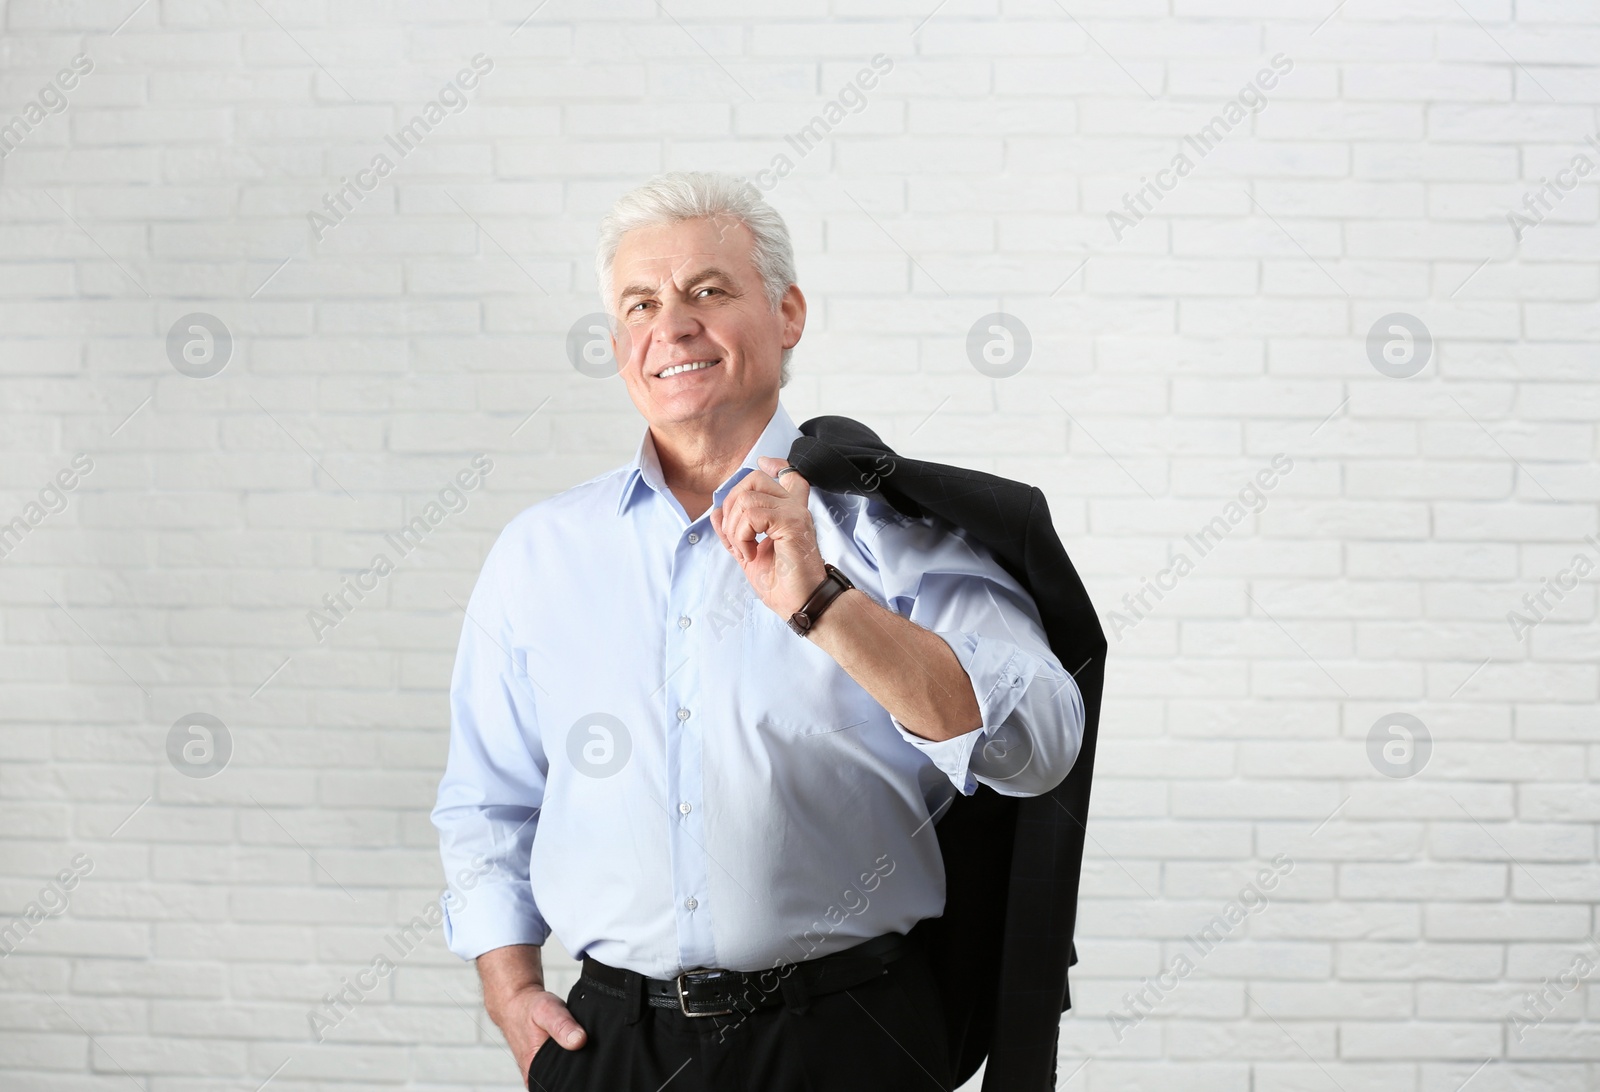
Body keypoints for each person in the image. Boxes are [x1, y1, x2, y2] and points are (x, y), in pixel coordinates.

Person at [430, 170, 1086, 1092]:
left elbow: (1038, 744)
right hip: (612, 1046)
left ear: (788, 314)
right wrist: (510, 990)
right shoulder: (539, 554)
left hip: (852, 1042)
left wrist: (824, 600)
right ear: (620, 343)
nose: (673, 326)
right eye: (641, 303)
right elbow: (487, 800)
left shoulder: (901, 533)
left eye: (708, 291)